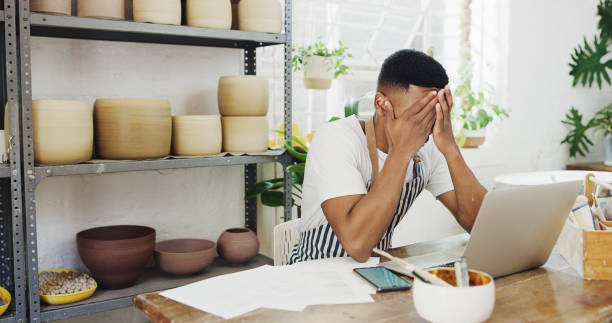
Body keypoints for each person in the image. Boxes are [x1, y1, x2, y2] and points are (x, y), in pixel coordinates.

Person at [289, 49, 487, 264]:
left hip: (374, 274)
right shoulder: (336, 138)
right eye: (417, 115)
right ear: (381, 104)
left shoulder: (430, 148)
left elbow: (481, 225)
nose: (425, 126)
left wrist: (451, 148)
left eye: (434, 113)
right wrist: (401, 151)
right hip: (313, 276)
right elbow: (357, 244)